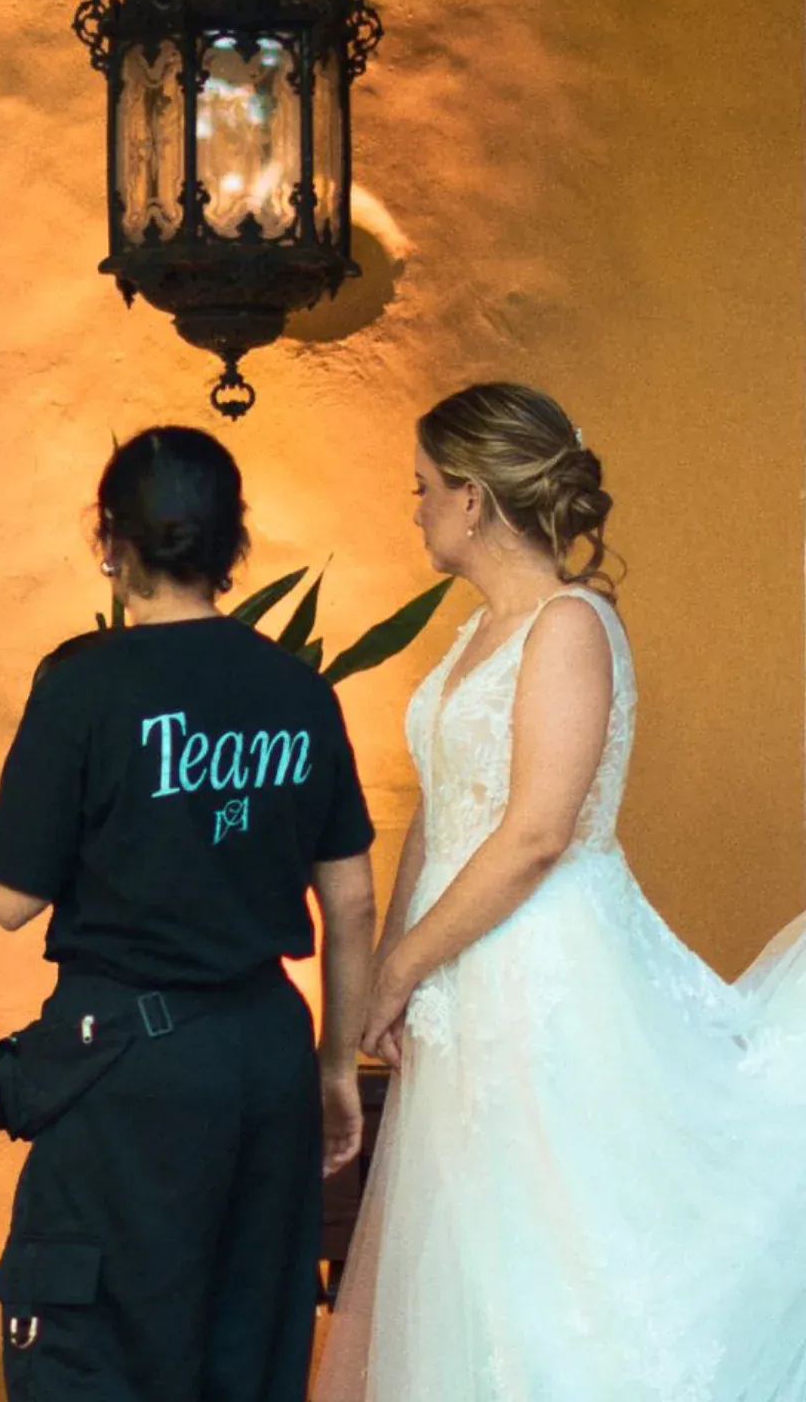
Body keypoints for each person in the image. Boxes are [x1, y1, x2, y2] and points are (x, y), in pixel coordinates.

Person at [314, 381, 806, 1402]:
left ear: (474, 499)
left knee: (557, 1247)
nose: (414, 505)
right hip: (462, 973)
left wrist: (402, 966)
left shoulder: (569, 624)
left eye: (424, 485)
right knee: (478, 1248)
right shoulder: (472, 634)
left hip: (540, 968)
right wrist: (396, 962)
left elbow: (537, 832)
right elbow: (441, 812)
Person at [0, 425, 379, 1402]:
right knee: (251, 1341)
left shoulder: (84, 687)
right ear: (232, 543)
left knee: (98, 1349)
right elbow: (352, 898)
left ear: (110, 541)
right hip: (266, 1053)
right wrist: (335, 1066)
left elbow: (9, 899)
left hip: (131, 1061)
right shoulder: (300, 691)